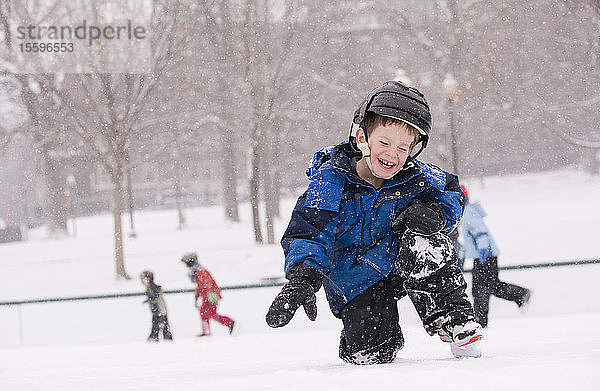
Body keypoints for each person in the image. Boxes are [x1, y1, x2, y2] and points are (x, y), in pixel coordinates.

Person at [266, 81, 483, 364]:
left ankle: (454, 319)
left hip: (400, 258)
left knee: (423, 243)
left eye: (403, 147)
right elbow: (308, 231)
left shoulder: (415, 177)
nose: (393, 154)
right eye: (384, 142)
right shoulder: (330, 183)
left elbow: (452, 191)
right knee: (373, 354)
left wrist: (437, 214)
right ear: (361, 138)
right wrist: (303, 278)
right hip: (357, 277)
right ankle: (370, 339)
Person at [460, 185, 531, 328]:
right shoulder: (468, 211)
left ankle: (480, 322)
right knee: (491, 286)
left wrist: (483, 250)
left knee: (481, 289)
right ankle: (520, 294)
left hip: (484, 256)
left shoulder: (467, 213)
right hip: (485, 256)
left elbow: (480, 233)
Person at [181, 253, 238, 336]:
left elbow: (207, 283)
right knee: (204, 312)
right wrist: (197, 296)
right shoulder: (197, 271)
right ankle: (206, 331)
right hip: (207, 296)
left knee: (211, 313)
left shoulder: (200, 271)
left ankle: (231, 323)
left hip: (211, 296)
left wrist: (210, 294)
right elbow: (200, 286)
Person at [140, 270, 173, 342]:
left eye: (145, 279)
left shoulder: (154, 287)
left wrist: (150, 300)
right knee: (156, 323)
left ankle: (159, 337)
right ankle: (155, 336)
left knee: (161, 323)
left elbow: (156, 298)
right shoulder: (149, 288)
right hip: (156, 310)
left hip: (160, 309)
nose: (143, 281)